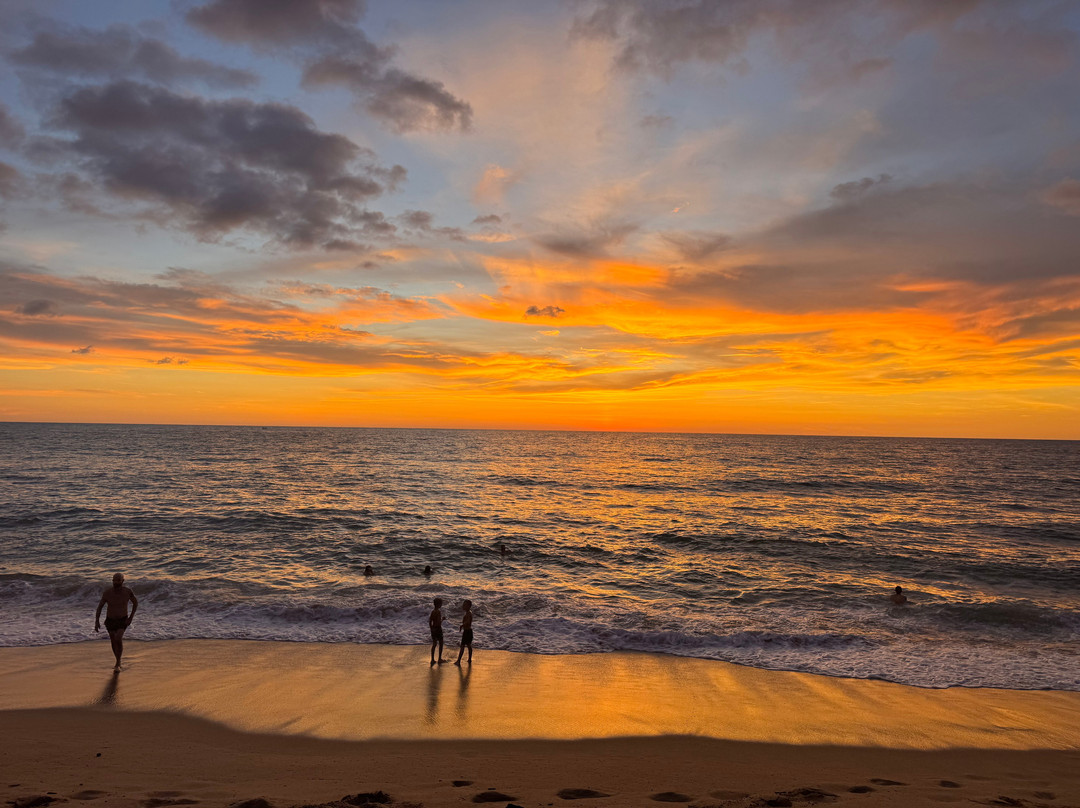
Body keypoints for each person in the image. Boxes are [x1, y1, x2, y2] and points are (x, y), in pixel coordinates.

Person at [94, 573, 138, 671]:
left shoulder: (127, 592)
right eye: (114, 580)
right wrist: (97, 621)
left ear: (123, 581)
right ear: (112, 581)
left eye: (118, 580)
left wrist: (131, 617)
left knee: (118, 638)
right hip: (110, 620)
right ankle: (117, 660)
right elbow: (100, 607)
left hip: (123, 619)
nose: (116, 582)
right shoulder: (107, 593)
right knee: (113, 640)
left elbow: (135, 603)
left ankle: (118, 662)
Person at [454, 599, 474, 665]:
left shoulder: (469, 613)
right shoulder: (468, 613)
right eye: (463, 604)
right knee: (469, 646)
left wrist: (462, 625)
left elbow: (468, 621)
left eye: (465, 605)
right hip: (468, 631)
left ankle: (458, 661)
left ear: (469, 606)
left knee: (462, 646)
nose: (463, 606)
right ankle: (469, 659)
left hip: (467, 632)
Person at [429, 597, 445, 664]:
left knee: (434, 644)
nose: (441, 605)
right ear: (438, 604)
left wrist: (431, 629)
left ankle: (432, 659)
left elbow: (430, 621)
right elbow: (439, 622)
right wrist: (442, 619)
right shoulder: (438, 612)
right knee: (441, 643)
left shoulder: (433, 612)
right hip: (438, 629)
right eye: (441, 603)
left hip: (433, 629)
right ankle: (439, 659)